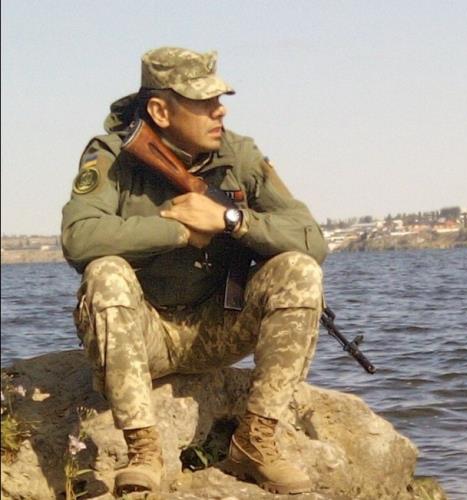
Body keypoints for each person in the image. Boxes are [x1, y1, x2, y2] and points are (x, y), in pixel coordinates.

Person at [61, 47, 328, 496]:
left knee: (299, 271)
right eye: (204, 102)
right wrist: (179, 230)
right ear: (160, 111)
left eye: (219, 100)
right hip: (144, 335)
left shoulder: (239, 154)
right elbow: (78, 238)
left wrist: (231, 220)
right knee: (105, 272)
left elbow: (312, 240)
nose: (219, 111)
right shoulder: (111, 155)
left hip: (216, 328)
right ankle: (143, 451)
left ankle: (255, 442)